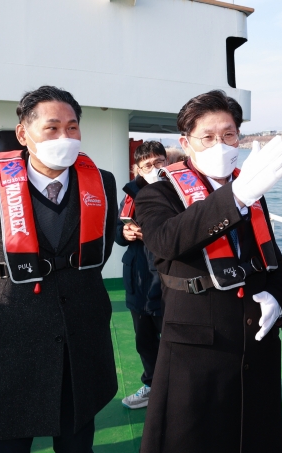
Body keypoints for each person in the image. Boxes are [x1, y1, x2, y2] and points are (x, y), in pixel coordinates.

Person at [0, 86, 118, 452]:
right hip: (9, 343)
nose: (64, 137)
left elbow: (98, 253)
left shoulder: (102, 183)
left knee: (77, 441)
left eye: (72, 127)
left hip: (80, 339)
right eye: (52, 128)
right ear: (23, 134)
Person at [135, 89, 282, 453]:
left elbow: (273, 258)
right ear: (185, 142)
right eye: (207, 136)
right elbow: (166, 240)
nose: (219, 144)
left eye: (229, 135)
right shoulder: (158, 193)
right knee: (191, 438)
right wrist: (236, 196)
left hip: (256, 342)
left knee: (255, 435)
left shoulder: (252, 188)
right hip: (197, 346)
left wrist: (278, 298)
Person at [115, 140, 166, 409]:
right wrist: (125, 233)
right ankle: (151, 385)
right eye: (147, 165)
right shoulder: (129, 195)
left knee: (172, 341)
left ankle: (175, 390)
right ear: (137, 168)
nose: (154, 169)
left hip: (167, 282)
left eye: (159, 162)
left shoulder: (178, 192)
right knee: (143, 340)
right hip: (137, 281)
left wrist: (154, 236)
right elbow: (116, 232)